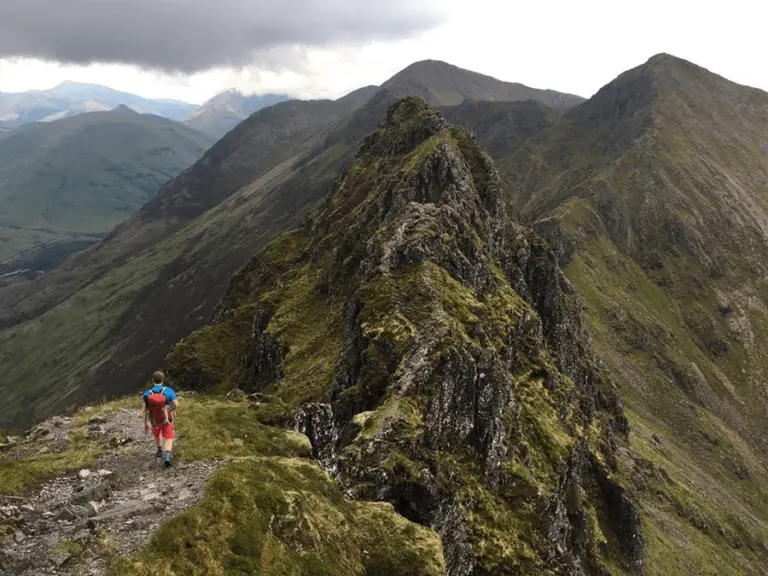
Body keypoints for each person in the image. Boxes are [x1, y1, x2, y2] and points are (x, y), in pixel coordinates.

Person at [142, 370, 178, 467]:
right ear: (163, 379)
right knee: (169, 437)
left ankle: (159, 450)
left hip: (154, 420)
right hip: (167, 420)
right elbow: (176, 405)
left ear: (153, 380)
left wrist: (145, 424)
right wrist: (171, 409)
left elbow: (144, 410)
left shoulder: (147, 394)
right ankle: (167, 456)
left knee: (157, 435)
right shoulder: (168, 391)